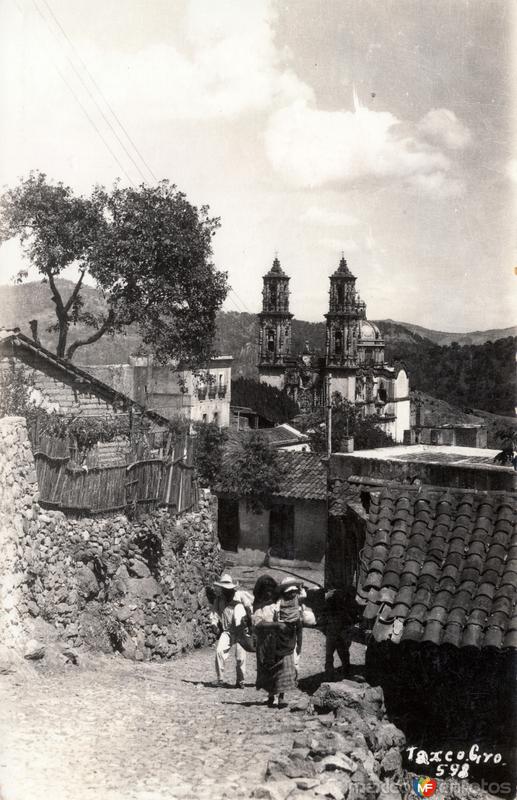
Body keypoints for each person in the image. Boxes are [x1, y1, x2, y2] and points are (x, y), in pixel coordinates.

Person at [252, 575, 302, 708]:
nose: (268, 594)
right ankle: (270, 695)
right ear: (261, 592)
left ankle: (281, 697)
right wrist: (276, 625)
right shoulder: (259, 606)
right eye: (265, 591)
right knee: (268, 668)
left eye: (270, 590)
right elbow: (258, 624)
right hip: (265, 642)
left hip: (280, 640)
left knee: (283, 666)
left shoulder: (279, 602)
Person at [207, 573, 251, 688]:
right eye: (224, 589)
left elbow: (249, 608)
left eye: (229, 588)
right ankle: (220, 679)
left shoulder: (240, 596)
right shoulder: (219, 600)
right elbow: (214, 613)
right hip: (227, 631)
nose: (227, 591)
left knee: (240, 657)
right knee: (219, 651)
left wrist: (250, 624)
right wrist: (214, 624)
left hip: (241, 631)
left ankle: (240, 681)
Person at [324, 586, 359, 675]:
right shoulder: (349, 603)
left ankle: (331, 670)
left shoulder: (333, 601)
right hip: (338, 629)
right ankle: (343, 670)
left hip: (334, 628)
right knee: (342, 651)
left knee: (331, 652)